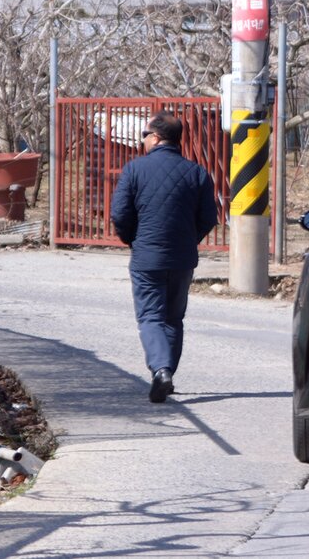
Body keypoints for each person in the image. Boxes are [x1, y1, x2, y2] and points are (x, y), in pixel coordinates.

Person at [110, 110, 219, 403]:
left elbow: (119, 214)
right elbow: (209, 217)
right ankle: (167, 372)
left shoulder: (135, 170)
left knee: (150, 317)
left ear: (156, 137)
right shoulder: (197, 173)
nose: (142, 140)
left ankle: (161, 371)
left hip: (147, 257)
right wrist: (188, 239)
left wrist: (133, 239)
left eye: (145, 135)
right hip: (182, 258)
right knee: (173, 318)